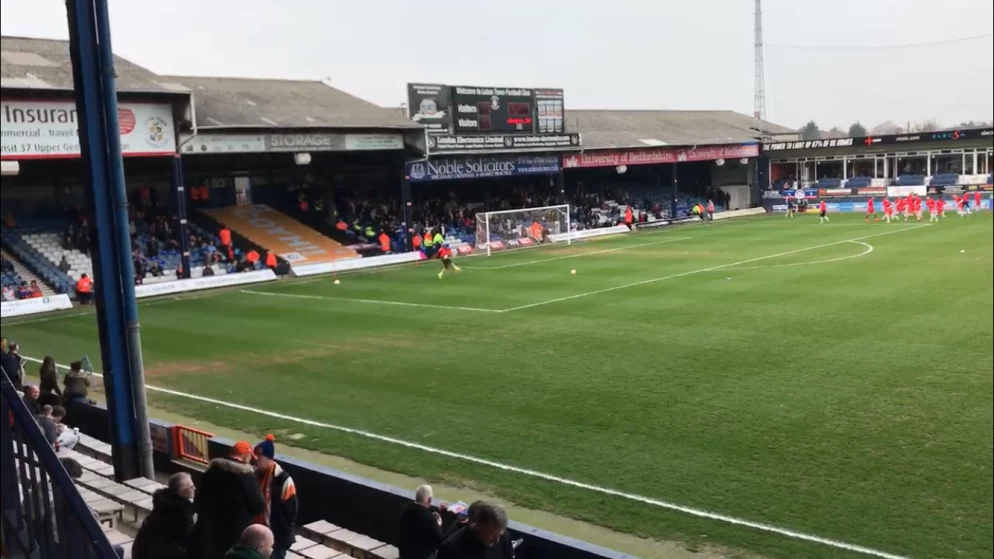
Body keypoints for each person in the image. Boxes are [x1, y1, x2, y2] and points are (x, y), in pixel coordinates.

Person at [192, 441, 265, 559]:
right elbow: (258, 506)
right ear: (246, 456)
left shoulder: (212, 470)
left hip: (207, 530)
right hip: (233, 533)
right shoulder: (246, 476)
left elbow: (198, 498)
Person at [132, 472, 196, 559]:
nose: (194, 488)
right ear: (180, 491)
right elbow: (189, 539)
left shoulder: (161, 503)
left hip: (140, 552)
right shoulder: (182, 512)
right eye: (191, 487)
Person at [253, 436, 298, 559]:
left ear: (269, 458)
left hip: (276, 538)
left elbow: (291, 511)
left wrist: (282, 530)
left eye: (259, 456)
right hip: (257, 534)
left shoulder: (284, 480)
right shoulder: (254, 474)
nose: (256, 459)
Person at [436, 503, 513, 559]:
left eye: (500, 533)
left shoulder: (504, 536)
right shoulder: (450, 548)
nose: (497, 540)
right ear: (480, 525)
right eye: (492, 534)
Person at [398, 485, 446, 559]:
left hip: (404, 554)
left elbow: (420, 511)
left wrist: (438, 510)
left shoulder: (406, 509)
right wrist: (439, 525)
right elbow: (440, 541)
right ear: (430, 500)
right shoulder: (429, 519)